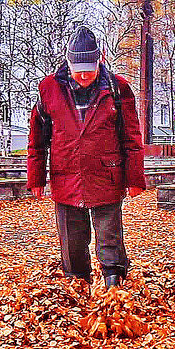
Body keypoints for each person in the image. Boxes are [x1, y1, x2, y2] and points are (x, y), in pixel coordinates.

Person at [27, 27, 146, 289]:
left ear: (100, 60)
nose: (82, 75)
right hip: (66, 174)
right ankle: (77, 284)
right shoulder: (48, 89)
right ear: (67, 62)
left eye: (88, 69)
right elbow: (37, 137)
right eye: (77, 68)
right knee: (72, 239)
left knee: (109, 236)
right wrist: (36, 177)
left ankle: (114, 285)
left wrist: (135, 179)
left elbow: (132, 137)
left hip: (106, 174)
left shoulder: (118, 88)